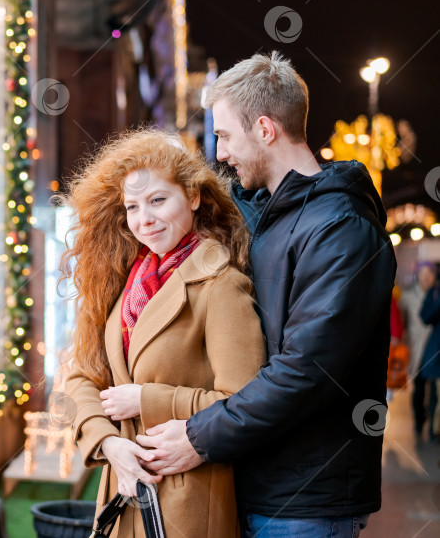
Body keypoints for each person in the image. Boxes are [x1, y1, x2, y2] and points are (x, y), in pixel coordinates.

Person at [136, 52, 397, 538]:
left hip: (305, 502)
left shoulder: (342, 229)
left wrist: (197, 436)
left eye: (224, 135)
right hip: (253, 482)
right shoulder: (260, 216)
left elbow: (306, 373)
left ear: (264, 128)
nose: (220, 153)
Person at [62, 129, 266, 537]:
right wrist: (109, 444)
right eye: (132, 206)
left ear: (193, 196)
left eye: (158, 200)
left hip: (186, 501)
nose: (145, 219)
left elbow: (245, 404)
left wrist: (146, 400)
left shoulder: (221, 284)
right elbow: (82, 376)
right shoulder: (123, 279)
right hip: (123, 488)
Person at [401, 261, 436, 440]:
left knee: (435, 390)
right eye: (423, 273)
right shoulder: (407, 296)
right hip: (416, 349)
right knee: (419, 389)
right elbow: (401, 321)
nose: (426, 276)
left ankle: (433, 423)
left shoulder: (437, 294)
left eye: (430, 273)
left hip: (435, 349)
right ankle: (419, 420)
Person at [418, 275, 440, 443]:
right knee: (435, 395)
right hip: (437, 350)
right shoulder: (434, 293)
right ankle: (434, 430)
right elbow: (425, 317)